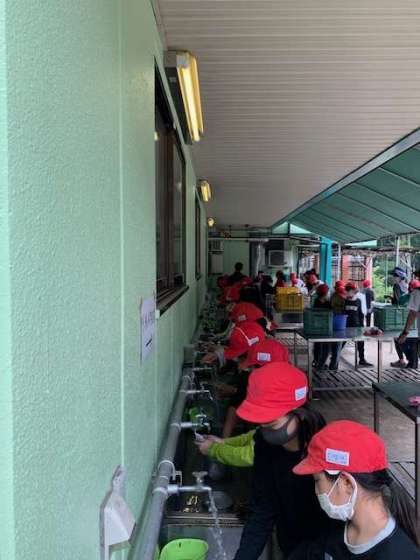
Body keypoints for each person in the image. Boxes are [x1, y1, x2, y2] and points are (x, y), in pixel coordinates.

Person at [231, 362, 330, 559]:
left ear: (300, 414)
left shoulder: (325, 448)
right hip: (289, 542)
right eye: (261, 423)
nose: (265, 431)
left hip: (325, 547)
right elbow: (262, 509)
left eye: (271, 423)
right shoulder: (264, 445)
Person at [290, 420, 420, 559]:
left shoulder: (401, 555)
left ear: (347, 483)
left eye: (317, 480)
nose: (316, 490)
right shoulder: (337, 525)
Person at [196, 339, 290, 461]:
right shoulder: (279, 389)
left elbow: (253, 454)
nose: (249, 371)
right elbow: (257, 434)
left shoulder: (280, 407)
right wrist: (224, 442)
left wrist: (216, 449)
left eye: (253, 367)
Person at [392, 279, 420, 369]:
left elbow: (412, 313)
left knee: (401, 341)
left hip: (408, 326)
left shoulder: (416, 293)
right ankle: (411, 363)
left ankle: (407, 361)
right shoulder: (408, 295)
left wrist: (405, 333)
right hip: (413, 328)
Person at [343, 282, 372, 367]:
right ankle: (334, 360)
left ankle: (362, 360)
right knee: (341, 343)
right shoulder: (344, 301)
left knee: (361, 343)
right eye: (347, 290)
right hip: (345, 327)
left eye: (349, 290)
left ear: (353, 291)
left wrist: (362, 326)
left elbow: (360, 315)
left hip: (357, 326)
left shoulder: (358, 301)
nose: (348, 292)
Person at [313, 284, 331, 370]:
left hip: (317, 327)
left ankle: (317, 362)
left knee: (318, 345)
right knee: (325, 347)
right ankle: (320, 364)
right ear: (326, 293)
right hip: (325, 328)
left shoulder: (316, 301)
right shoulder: (327, 303)